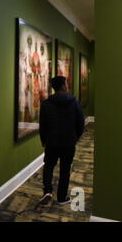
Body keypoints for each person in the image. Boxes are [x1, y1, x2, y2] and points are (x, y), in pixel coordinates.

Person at [38, 76, 85, 205]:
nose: (67, 85)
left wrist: (43, 140)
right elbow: (81, 123)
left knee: (48, 166)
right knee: (65, 170)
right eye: (66, 83)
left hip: (52, 142)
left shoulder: (46, 104)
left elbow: (43, 125)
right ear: (63, 86)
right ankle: (62, 198)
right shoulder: (74, 101)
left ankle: (47, 191)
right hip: (68, 143)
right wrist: (75, 137)